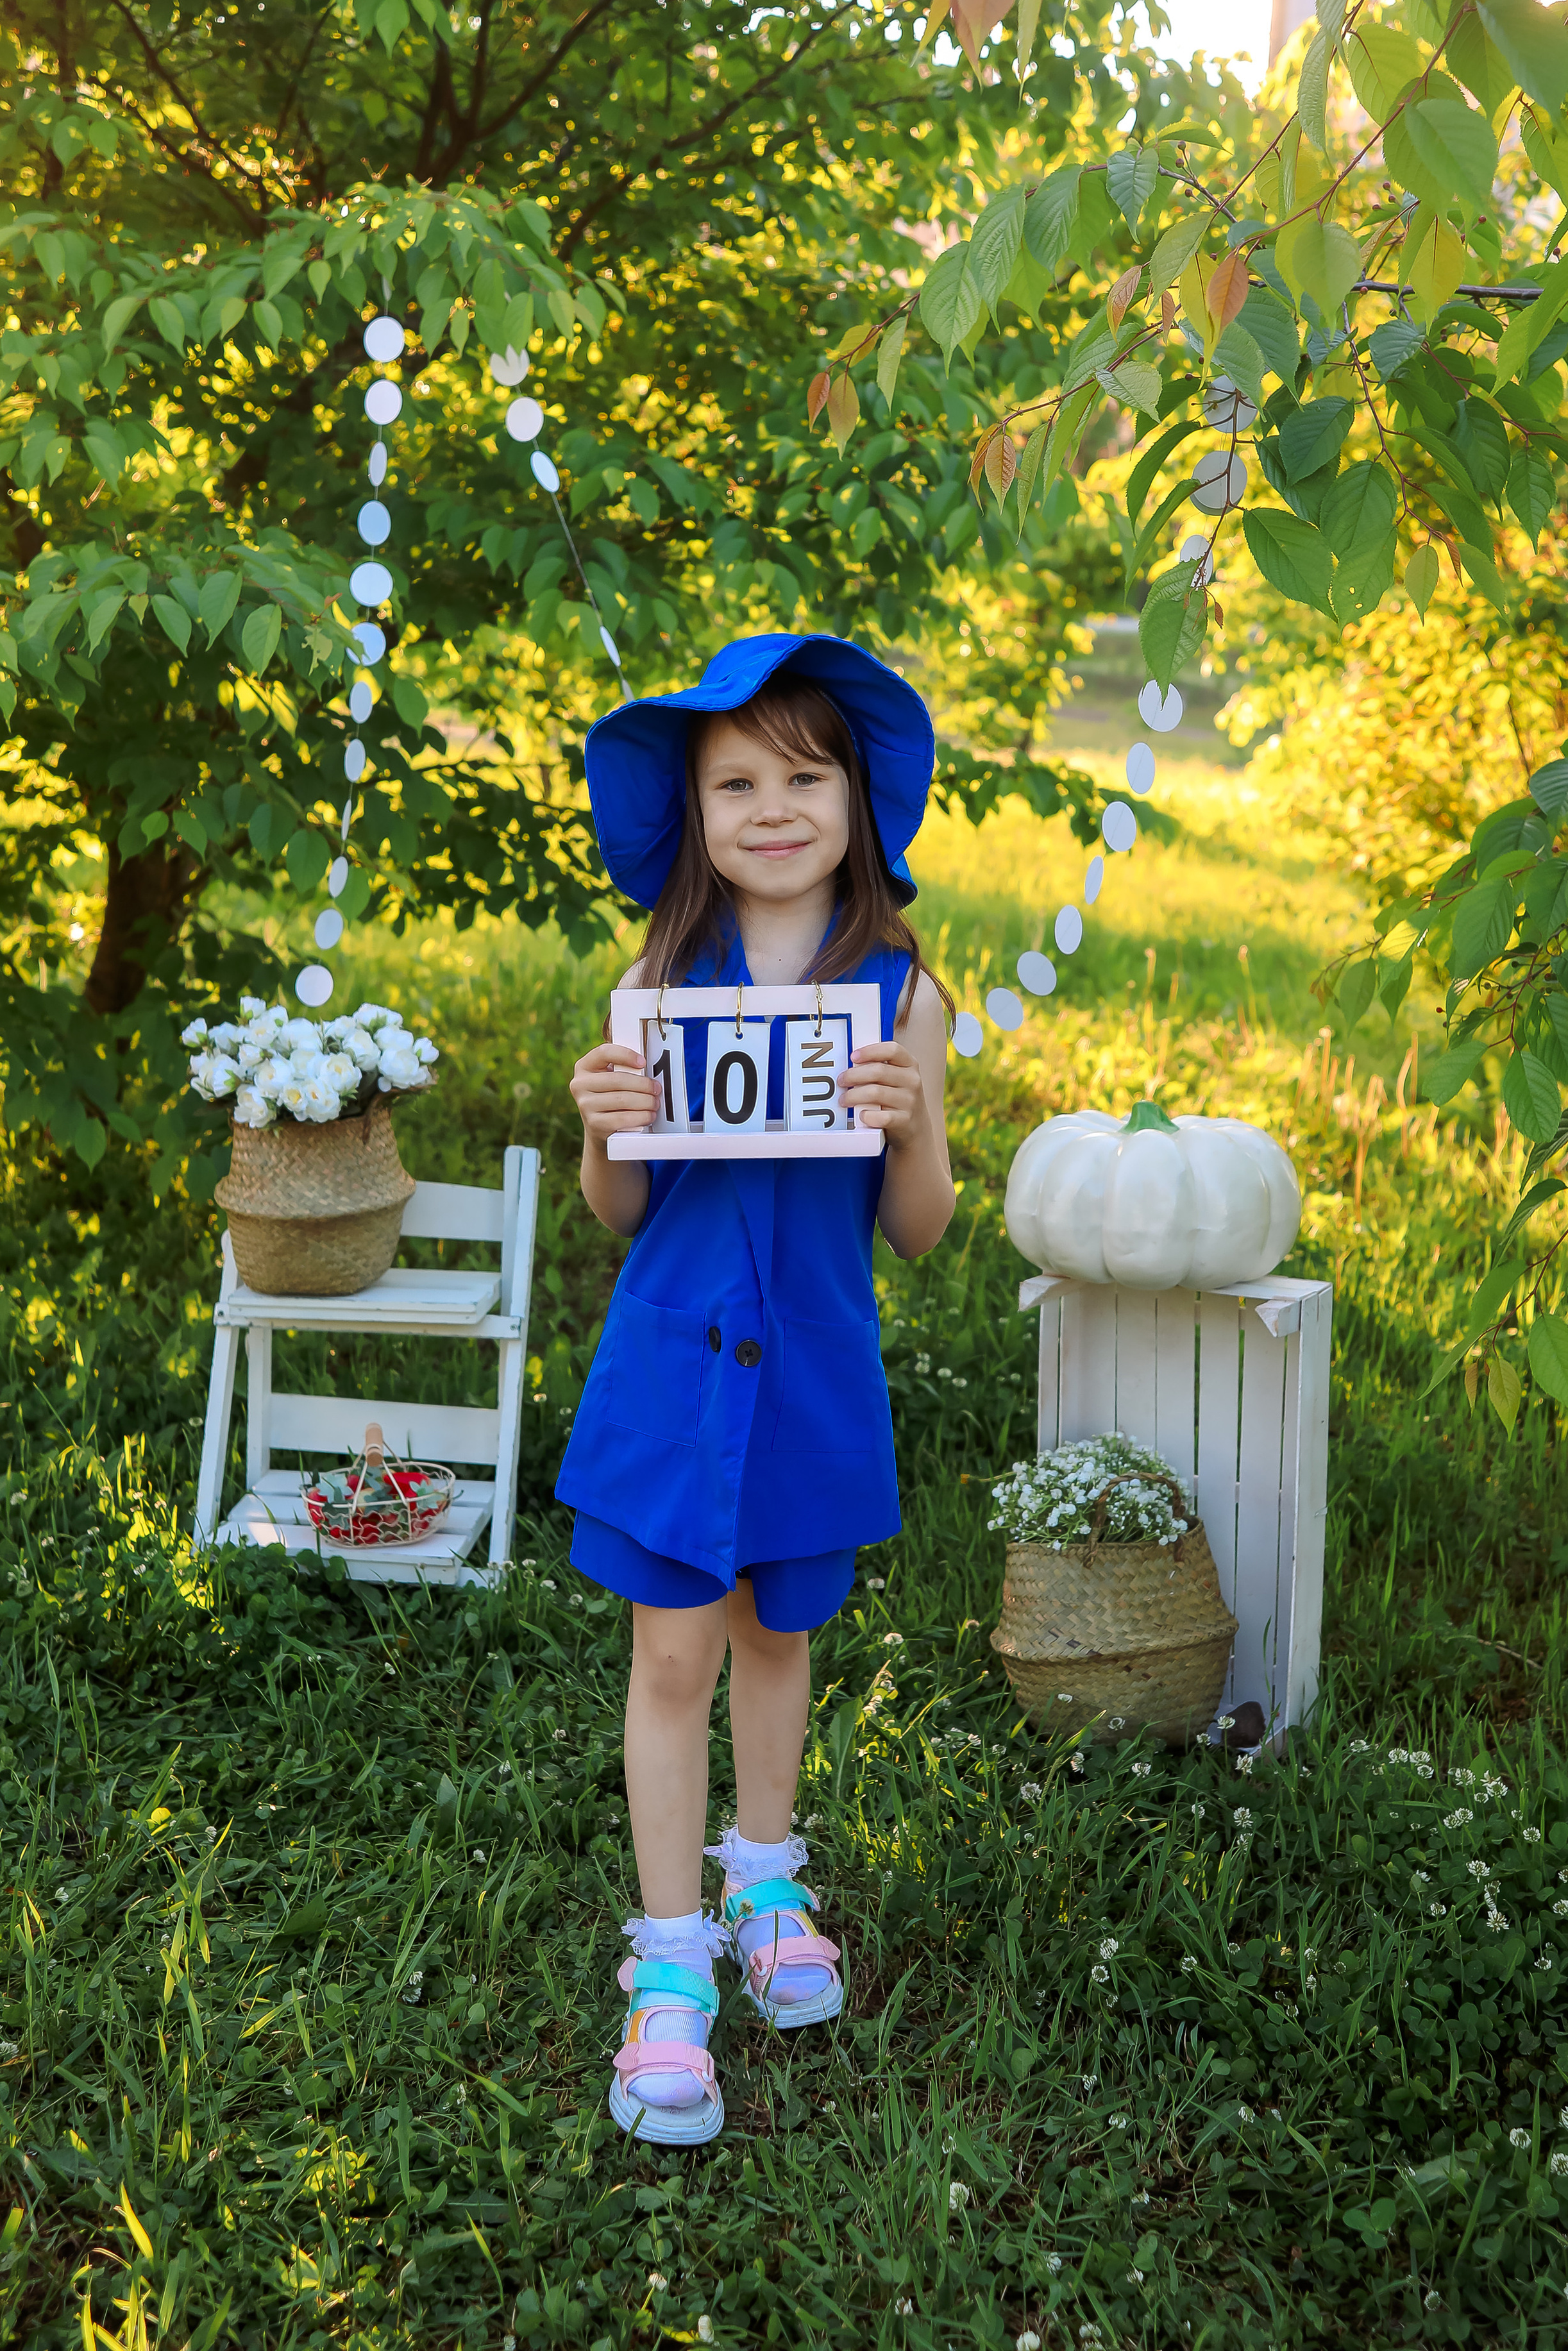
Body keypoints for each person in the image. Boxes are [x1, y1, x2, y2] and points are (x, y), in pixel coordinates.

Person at [560, 632, 956, 2146]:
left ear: (857, 801)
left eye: (806, 775)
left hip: (805, 1373)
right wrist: (604, 1125)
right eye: (737, 781)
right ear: (694, 812)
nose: (773, 807)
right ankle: (668, 1963)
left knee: (777, 1634)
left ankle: (765, 1873)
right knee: (672, 1660)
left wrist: (908, 1128)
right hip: (672, 1375)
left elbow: (917, 1228)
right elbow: (622, 1210)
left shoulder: (902, 994)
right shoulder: (652, 983)